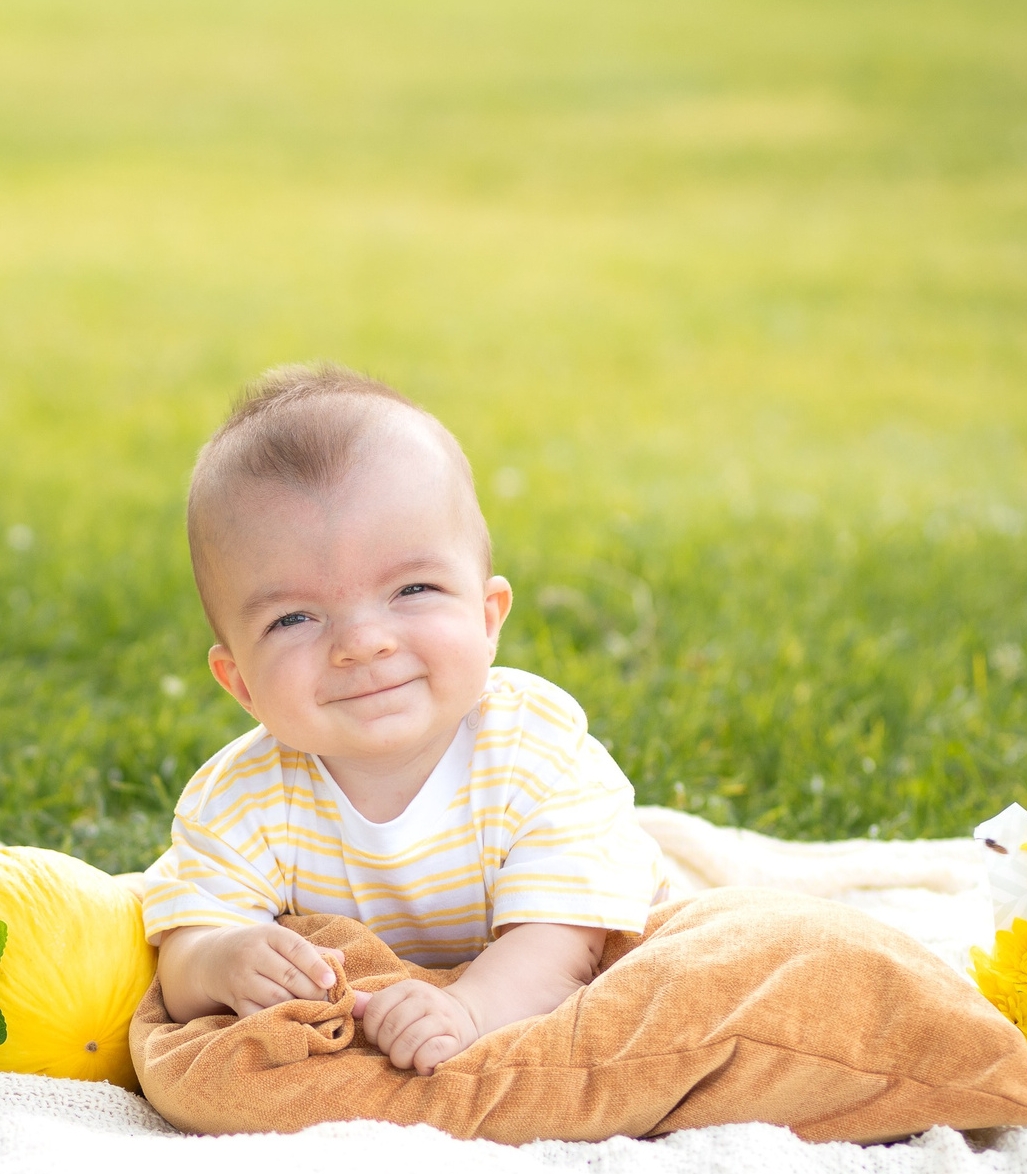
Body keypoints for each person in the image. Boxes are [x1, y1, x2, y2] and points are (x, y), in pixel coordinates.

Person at [140, 363, 665, 1075]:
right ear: (240, 685)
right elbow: (182, 954)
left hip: (512, 984)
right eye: (294, 617)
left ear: (488, 619)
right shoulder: (242, 798)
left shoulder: (537, 752)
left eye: (413, 589)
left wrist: (469, 1010)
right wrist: (221, 960)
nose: (363, 642)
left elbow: (564, 944)